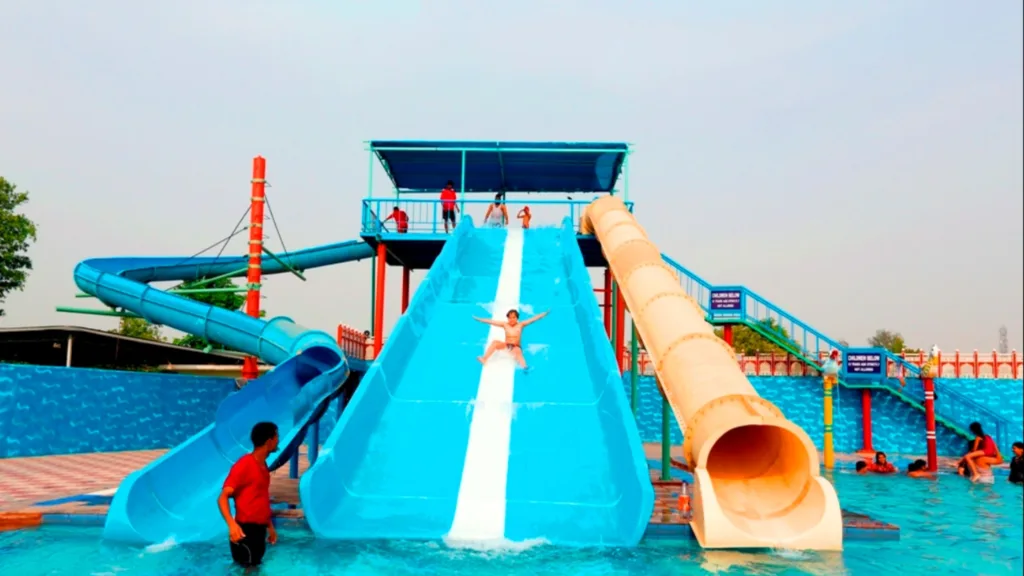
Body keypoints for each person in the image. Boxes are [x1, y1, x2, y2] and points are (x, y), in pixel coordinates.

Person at [218, 422, 279, 567]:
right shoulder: (244, 465)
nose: (278, 440)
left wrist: (269, 527)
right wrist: (232, 525)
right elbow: (222, 497)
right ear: (269, 441)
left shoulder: (263, 467)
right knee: (248, 569)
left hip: (259, 531)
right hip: (244, 531)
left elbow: (260, 499)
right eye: (277, 436)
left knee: (255, 567)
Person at [474, 308, 549, 369]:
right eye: (509, 318)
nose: (511, 319)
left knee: (517, 350)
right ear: (507, 318)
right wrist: (479, 319)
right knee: (495, 342)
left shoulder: (521, 324)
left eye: (513, 317)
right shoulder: (505, 324)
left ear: (517, 318)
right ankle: (484, 359)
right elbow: (491, 321)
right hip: (506, 345)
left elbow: (534, 319)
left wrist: (544, 314)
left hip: (515, 347)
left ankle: (525, 367)